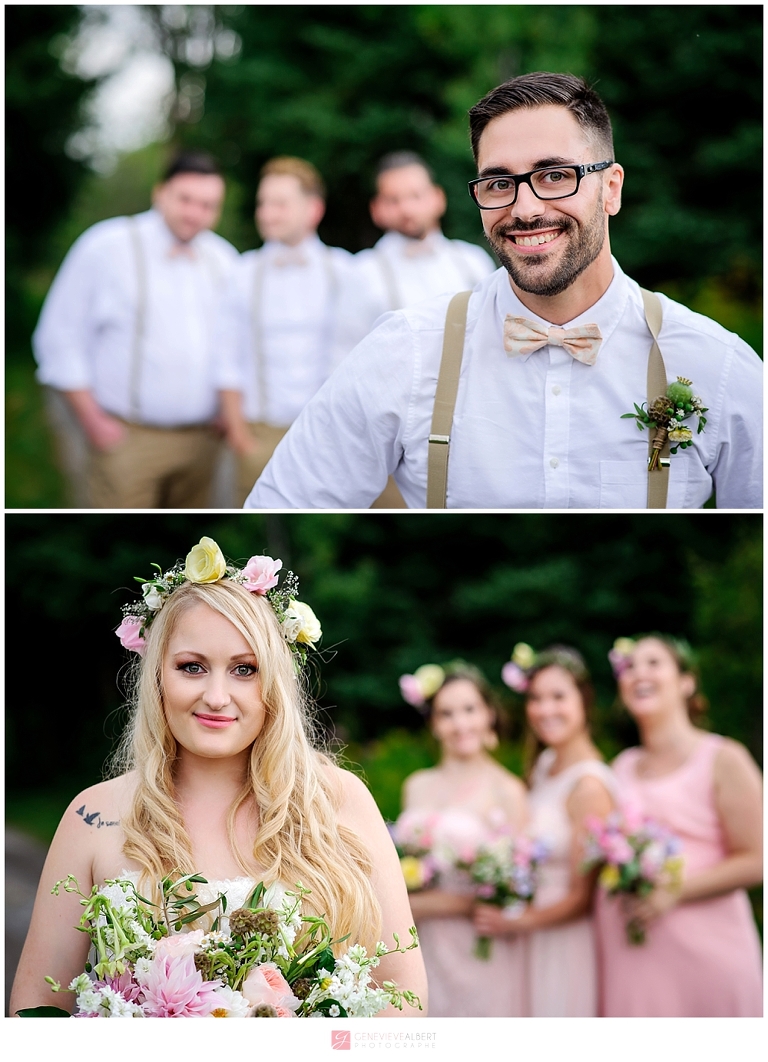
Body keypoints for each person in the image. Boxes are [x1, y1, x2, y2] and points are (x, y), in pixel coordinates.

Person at [244, 72, 762, 510]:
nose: (525, 208)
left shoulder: (718, 367)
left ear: (611, 188)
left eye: (555, 175)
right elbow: (284, 505)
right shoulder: (405, 351)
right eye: (498, 183)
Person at [9, 538, 427, 1017]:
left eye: (244, 670)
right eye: (192, 667)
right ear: (158, 675)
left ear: (275, 681)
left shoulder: (340, 801)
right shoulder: (93, 815)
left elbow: (403, 993)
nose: (216, 696)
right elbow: (38, 1009)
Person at [33, 152, 239, 509]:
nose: (194, 213)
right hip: (128, 439)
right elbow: (58, 337)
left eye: (207, 205)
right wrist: (93, 420)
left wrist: (229, 411)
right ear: (159, 193)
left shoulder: (224, 260)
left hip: (203, 443)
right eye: (185, 200)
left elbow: (236, 344)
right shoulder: (106, 246)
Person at [595, 634, 762, 1017]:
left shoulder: (724, 758)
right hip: (633, 957)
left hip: (707, 955)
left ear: (686, 682)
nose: (639, 673)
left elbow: (757, 860)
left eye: (654, 663)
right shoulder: (621, 766)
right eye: (630, 666)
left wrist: (674, 890)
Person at [475, 644, 616, 1016]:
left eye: (558, 696)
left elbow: (581, 897)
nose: (544, 709)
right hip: (527, 937)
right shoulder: (545, 766)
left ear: (584, 700)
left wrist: (516, 922)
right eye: (536, 698)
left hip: (562, 942)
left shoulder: (590, 786)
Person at [216, 157, 355, 507]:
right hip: (259, 435)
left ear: (313, 209)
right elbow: (227, 358)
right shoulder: (242, 272)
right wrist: (241, 439)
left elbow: (357, 359)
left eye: (279, 204)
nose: (266, 213)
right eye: (263, 203)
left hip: (327, 439)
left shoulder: (346, 271)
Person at [393, 662, 528, 1016]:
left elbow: (515, 891)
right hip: (421, 945)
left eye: (470, 710)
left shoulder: (508, 791)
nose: (460, 724)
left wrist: (434, 905)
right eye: (447, 714)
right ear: (434, 724)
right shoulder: (416, 785)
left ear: (489, 715)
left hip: (480, 946)